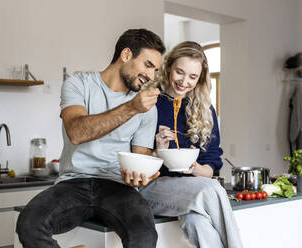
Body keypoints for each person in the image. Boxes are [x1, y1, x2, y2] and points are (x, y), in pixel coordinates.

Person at [16, 28, 166, 248]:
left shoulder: (147, 108)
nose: (151, 77)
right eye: (148, 65)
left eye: (155, 70)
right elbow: (77, 132)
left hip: (118, 187)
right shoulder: (78, 85)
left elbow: (140, 156)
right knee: (29, 225)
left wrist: (145, 174)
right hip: (72, 184)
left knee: (144, 237)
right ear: (126, 55)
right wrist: (131, 108)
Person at [139, 41, 243, 248]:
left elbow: (211, 164)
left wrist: (195, 168)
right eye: (179, 72)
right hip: (150, 188)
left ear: (200, 79)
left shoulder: (204, 109)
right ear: (168, 67)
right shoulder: (149, 100)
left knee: (198, 222)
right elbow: (134, 158)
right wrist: (159, 149)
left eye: (192, 77)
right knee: (211, 189)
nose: (184, 82)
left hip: (191, 191)